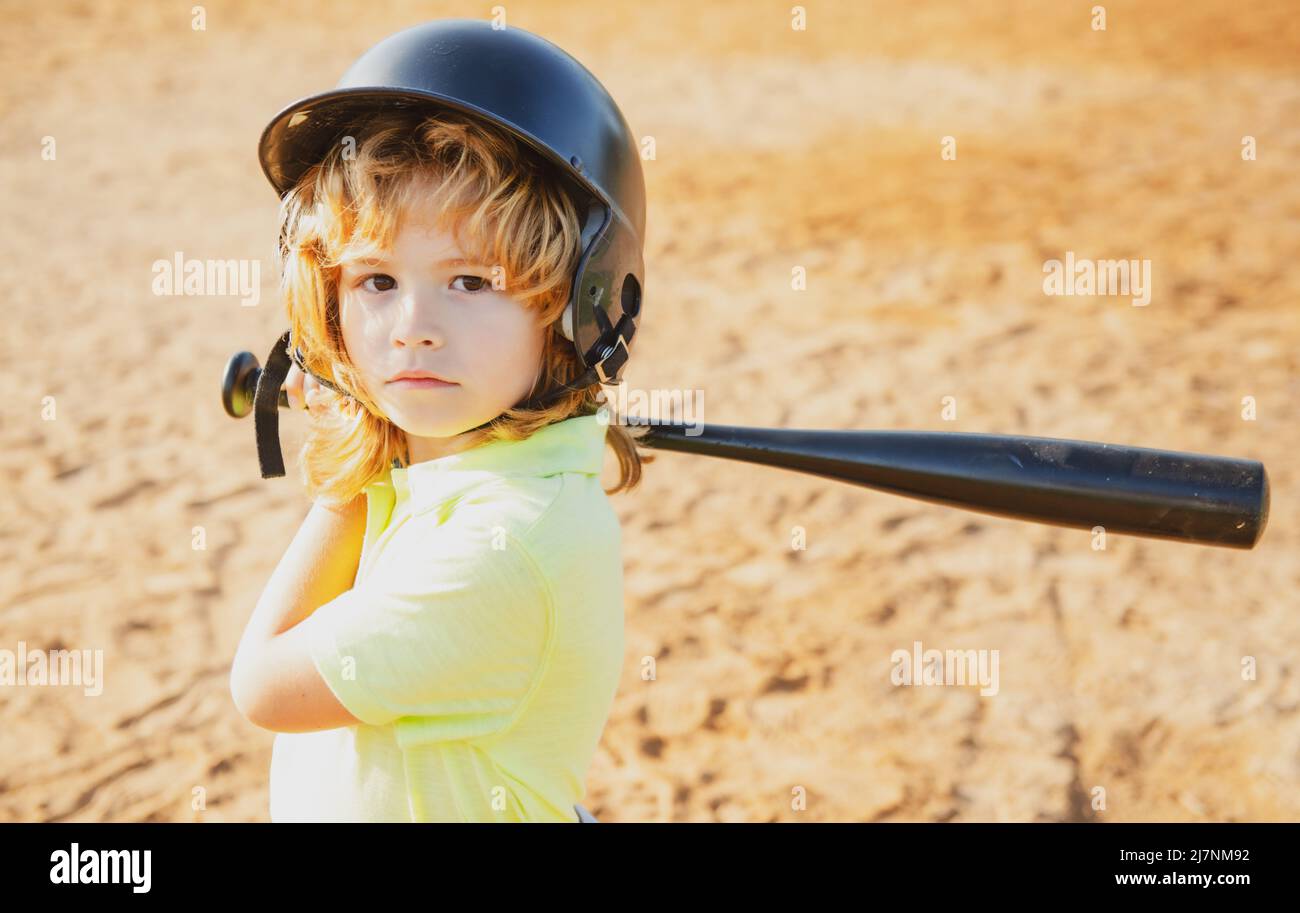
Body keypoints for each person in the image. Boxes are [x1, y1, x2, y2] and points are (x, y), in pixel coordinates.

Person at [228, 19, 651, 822]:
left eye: (469, 281)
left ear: (583, 305)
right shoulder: (465, 470)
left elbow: (262, 685)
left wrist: (345, 480)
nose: (412, 327)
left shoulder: (507, 544)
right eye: (377, 279)